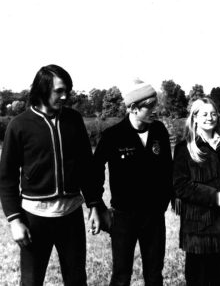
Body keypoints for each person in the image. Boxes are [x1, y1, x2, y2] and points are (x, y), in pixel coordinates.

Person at [0, 64, 103, 286]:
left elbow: (87, 167)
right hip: (35, 218)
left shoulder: (74, 120)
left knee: (77, 280)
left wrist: (95, 204)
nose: (65, 96)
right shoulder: (19, 125)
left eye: (68, 90)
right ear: (42, 89)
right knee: (31, 281)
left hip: (71, 216)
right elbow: (6, 178)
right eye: (59, 91)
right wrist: (15, 220)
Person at [93, 79, 173, 286]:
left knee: (154, 274)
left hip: (154, 217)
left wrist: (166, 200)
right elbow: (94, 172)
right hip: (123, 217)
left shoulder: (159, 131)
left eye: (156, 104)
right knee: (121, 275)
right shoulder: (113, 135)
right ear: (133, 108)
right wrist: (97, 205)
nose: (156, 110)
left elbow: (167, 169)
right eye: (150, 106)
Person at [173, 97, 220, 286]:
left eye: (213, 113)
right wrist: (213, 196)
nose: (210, 118)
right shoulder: (184, 148)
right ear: (195, 118)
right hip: (198, 232)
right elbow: (180, 185)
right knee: (200, 280)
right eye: (204, 114)